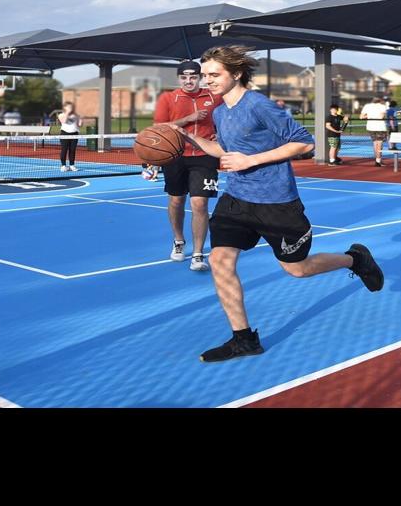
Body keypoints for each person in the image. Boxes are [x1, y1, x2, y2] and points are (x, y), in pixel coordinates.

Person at [191, 45, 385, 363]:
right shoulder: (219, 112)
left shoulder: (258, 105)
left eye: (214, 74)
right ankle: (244, 339)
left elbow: (304, 141)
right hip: (236, 200)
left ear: (236, 74)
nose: (207, 81)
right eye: (204, 75)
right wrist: (186, 139)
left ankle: (355, 260)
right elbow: (225, 150)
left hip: (276, 204)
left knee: (297, 270)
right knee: (220, 261)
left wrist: (250, 159)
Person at [153, 59, 221, 273]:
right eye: (184, 77)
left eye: (193, 77)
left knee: (200, 204)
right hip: (175, 155)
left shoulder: (214, 97)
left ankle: (198, 254)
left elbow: (225, 120)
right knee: (176, 200)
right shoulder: (168, 98)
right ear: (179, 78)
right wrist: (188, 118)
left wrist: (222, 133)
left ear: (200, 77)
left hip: (205, 154)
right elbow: (158, 127)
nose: (188, 81)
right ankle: (179, 240)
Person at [361, 95, 388, 165]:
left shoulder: (367, 106)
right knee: (379, 143)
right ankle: (378, 161)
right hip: (380, 127)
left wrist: (370, 116)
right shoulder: (382, 106)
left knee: (375, 143)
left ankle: (377, 159)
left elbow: (361, 117)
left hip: (370, 126)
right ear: (380, 100)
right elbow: (381, 117)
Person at [57, 101, 81, 172]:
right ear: (65, 107)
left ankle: (72, 165)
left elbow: (80, 125)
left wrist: (80, 118)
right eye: (69, 107)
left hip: (74, 134)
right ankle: (63, 165)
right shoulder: (61, 115)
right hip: (65, 134)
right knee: (64, 150)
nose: (71, 108)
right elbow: (64, 121)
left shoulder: (75, 116)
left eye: (71, 107)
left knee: (72, 150)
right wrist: (67, 113)